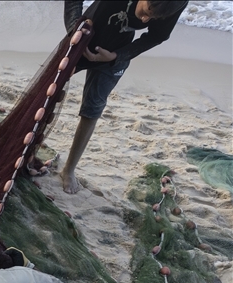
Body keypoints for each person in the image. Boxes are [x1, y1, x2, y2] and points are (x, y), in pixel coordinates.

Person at [60, 0, 188, 194]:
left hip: (115, 52)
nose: (145, 20)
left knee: (92, 109)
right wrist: (75, 29)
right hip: (81, 41)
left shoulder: (174, 3)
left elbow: (157, 36)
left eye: (154, 18)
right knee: (48, 92)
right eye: (147, 11)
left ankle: (69, 170)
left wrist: (116, 56)